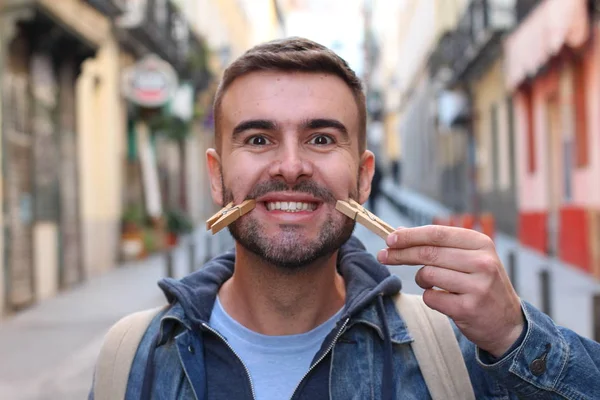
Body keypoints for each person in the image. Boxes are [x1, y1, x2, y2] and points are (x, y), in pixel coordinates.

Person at [90, 37, 600, 399]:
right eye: (259, 139)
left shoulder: (455, 354)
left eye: (321, 139)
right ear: (217, 176)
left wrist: (516, 336)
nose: (291, 166)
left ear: (363, 177)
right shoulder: (133, 359)